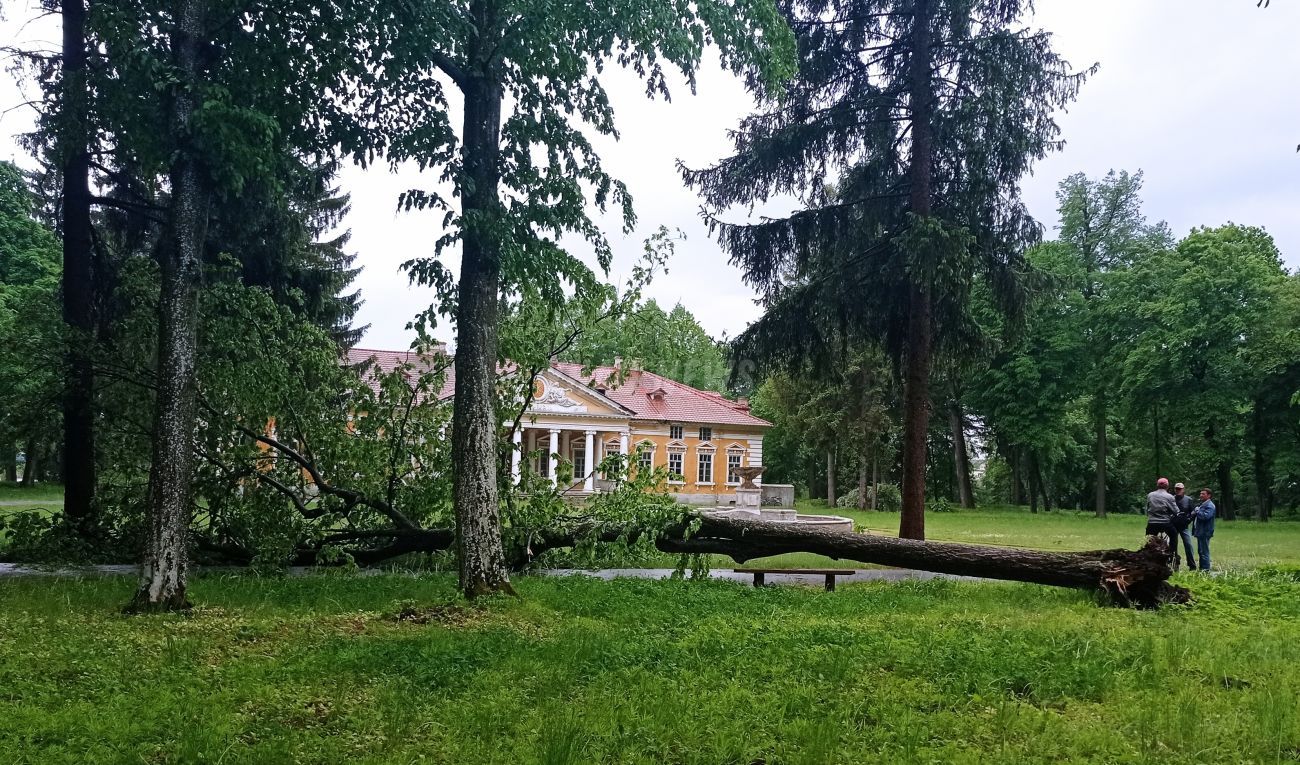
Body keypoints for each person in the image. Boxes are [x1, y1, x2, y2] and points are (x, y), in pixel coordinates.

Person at [1145, 478, 1180, 562]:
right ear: (1167, 486)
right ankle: (1172, 555)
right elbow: (1176, 511)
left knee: (1149, 539)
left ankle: (1147, 555)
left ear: (1157, 485)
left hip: (1152, 522)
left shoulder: (1150, 495)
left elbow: (1147, 508)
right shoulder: (1169, 497)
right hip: (1165, 522)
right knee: (1174, 535)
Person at [1170, 482, 1197, 570]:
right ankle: (1174, 564)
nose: (1178, 491)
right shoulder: (1171, 499)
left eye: (1180, 489)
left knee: (1188, 545)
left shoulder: (1188, 500)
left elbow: (1193, 512)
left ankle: (1192, 566)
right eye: (1176, 489)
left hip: (1184, 526)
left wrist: (1189, 520)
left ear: (1183, 490)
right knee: (1173, 545)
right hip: (1173, 526)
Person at [1192, 488, 1217, 571]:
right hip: (1200, 531)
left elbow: (1205, 517)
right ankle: (1201, 569)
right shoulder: (1203, 504)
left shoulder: (1210, 505)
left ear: (1209, 495)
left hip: (1205, 532)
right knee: (1201, 551)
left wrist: (1197, 511)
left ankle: (1205, 570)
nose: (1201, 495)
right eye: (1200, 493)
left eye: (1203, 494)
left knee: (1204, 551)